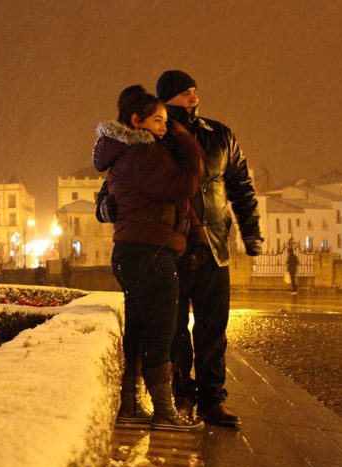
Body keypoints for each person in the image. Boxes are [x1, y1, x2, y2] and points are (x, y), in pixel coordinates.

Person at [92, 85, 206, 432]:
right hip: (151, 250)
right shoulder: (143, 153)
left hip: (134, 250)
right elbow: (183, 185)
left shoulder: (124, 152)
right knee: (162, 331)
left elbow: (107, 203)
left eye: (166, 120)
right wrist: (184, 137)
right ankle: (165, 413)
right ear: (136, 121)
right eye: (158, 120)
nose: (163, 126)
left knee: (141, 330)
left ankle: (130, 405)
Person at [156, 70, 263, 427]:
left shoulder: (220, 135)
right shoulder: (156, 137)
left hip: (214, 245)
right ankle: (182, 396)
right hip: (171, 246)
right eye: (185, 91)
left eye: (195, 90)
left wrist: (251, 233)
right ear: (168, 97)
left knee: (213, 327)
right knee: (174, 329)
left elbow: (241, 187)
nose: (193, 95)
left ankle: (213, 399)